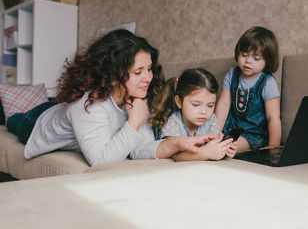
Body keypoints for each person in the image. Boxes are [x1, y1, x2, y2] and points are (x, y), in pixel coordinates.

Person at [7, 29, 214, 166]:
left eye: (149, 69)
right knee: (13, 120)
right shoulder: (90, 106)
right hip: (36, 121)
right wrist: (133, 122)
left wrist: (175, 144)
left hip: (65, 113)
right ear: (114, 74)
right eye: (138, 71)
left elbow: (138, 148)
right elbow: (101, 161)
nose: (148, 78)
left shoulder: (136, 99)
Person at [215, 26, 282, 162]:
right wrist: (215, 132)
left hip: (253, 134)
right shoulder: (232, 75)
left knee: (228, 147)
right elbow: (223, 105)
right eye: (244, 55)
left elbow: (273, 118)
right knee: (214, 141)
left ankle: (222, 150)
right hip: (231, 129)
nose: (248, 61)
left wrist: (273, 147)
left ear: (267, 61)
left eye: (256, 58)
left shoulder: (267, 82)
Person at [148, 68, 236, 161]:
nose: (204, 112)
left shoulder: (211, 119)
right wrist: (205, 153)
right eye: (196, 105)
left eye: (210, 105)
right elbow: (176, 155)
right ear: (179, 102)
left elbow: (213, 149)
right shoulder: (172, 121)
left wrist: (224, 151)